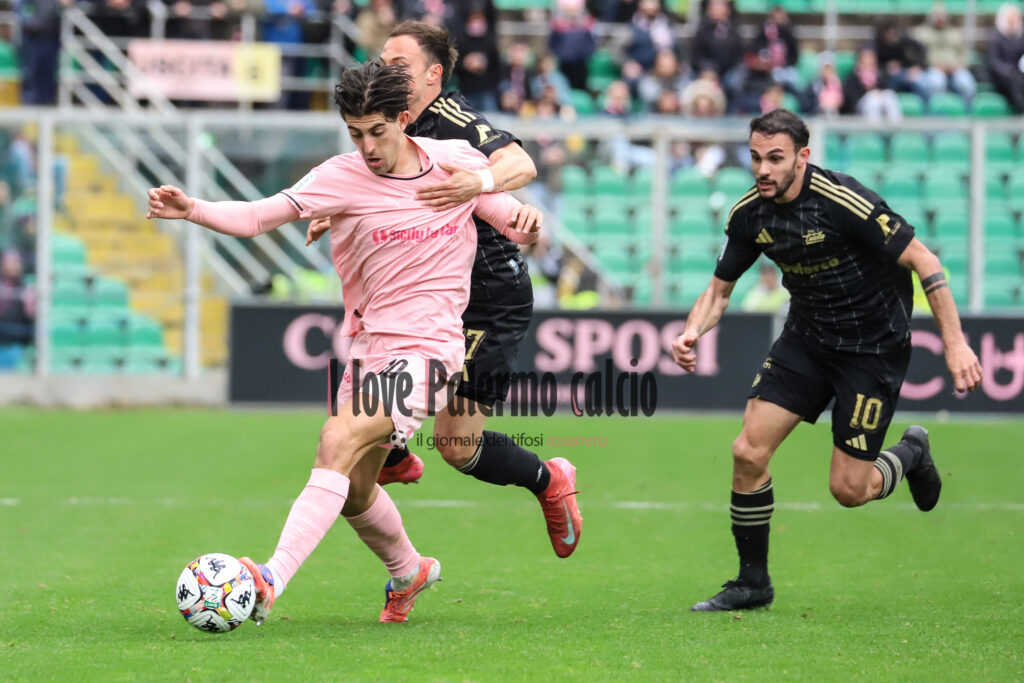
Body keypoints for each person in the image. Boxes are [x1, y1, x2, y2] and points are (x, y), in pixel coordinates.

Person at [146, 62, 543, 624]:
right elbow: (259, 216)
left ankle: (269, 578)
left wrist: (526, 220)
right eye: (355, 133)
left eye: (377, 131)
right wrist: (194, 211)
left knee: (337, 437)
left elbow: (512, 220)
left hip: (430, 349)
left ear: (403, 120)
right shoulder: (341, 175)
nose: (367, 146)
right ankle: (410, 570)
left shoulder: (455, 165)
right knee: (355, 488)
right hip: (368, 347)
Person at [672, 109, 983, 611]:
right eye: (755, 158)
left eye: (775, 158)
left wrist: (955, 344)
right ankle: (753, 583)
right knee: (748, 452)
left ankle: (911, 454)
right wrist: (691, 331)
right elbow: (718, 291)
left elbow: (926, 261)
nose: (763, 170)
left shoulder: (844, 201)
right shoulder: (750, 215)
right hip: (808, 340)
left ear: (803, 156)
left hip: (872, 349)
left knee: (849, 489)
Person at [307, 21, 583, 559]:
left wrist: (475, 183)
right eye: (382, 63)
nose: (386, 73)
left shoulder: (453, 120)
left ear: (434, 75)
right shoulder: (388, 121)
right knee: (360, 406)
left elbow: (520, 163)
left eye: (400, 67)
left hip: (487, 294)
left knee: (458, 444)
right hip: (420, 297)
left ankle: (549, 480)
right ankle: (394, 453)